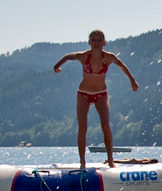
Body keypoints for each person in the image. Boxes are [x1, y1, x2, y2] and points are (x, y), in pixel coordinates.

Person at [52, 30, 139, 168]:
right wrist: (57, 66)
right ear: (89, 42)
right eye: (94, 40)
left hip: (101, 94)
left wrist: (132, 81)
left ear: (104, 42)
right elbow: (68, 56)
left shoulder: (109, 58)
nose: (96, 43)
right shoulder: (83, 56)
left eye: (99, 40)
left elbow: (122, 66)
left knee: (105, 126)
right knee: (82, 128)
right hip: (83, 94)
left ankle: (111, 161)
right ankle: (82, 163)